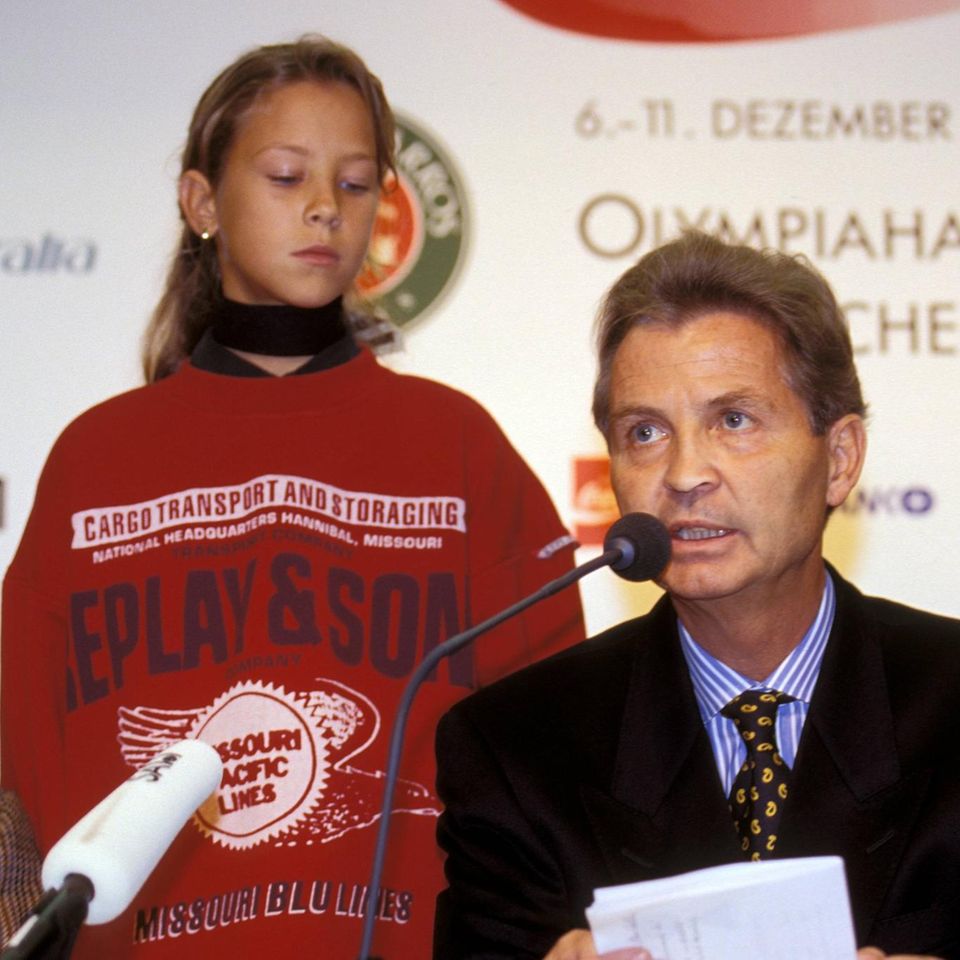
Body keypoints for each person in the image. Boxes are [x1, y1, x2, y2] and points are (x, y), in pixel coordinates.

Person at [0, 36, 584, 958]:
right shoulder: (93, 459)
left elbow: (550, 750)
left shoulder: (459, 447)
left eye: (357, 185)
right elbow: (19, 772)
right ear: (200, 202)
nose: (324, 207)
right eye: (284, 175)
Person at [433, 232, 960, 960]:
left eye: (733, 421)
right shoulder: (515, 752)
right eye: (645, 432)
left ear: (839, 461)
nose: (684, 474)